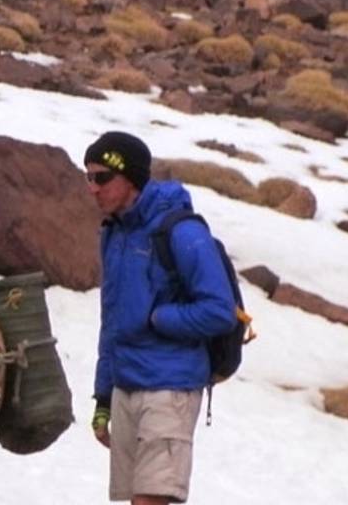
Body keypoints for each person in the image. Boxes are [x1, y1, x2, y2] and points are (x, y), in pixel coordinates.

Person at [85, 132, 237, 505]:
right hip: (126, 386)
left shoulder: (183, 231)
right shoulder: (114, 233)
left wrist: (162, 318)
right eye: (87, 177)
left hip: (170, 387)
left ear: (130, 178)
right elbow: (112, 322)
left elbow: (220, 310)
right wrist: (104, 396)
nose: (92, 188)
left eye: (101, 177)